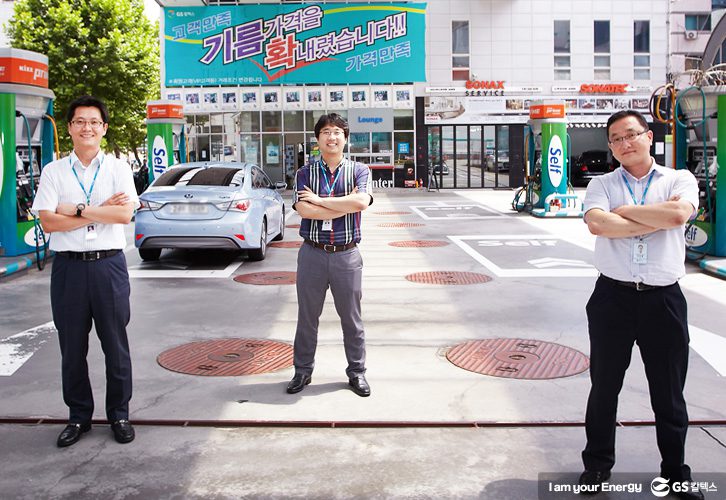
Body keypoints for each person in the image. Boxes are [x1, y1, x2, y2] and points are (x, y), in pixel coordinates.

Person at [579, 110, 703, 499]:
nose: (624, 144)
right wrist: (658, 219)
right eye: (616, 139)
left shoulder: (678, 179)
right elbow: (599, 225)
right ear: (611, 147)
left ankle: (675, 475)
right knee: (604, 389)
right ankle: (597, 468)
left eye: (631, 135)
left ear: (648, 136)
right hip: (611, 298)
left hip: (663, 299)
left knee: (668, 394)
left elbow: (680, 213)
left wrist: (625, 214)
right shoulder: (601, 183)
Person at [32, 95, 139, 447]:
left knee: (115, 345)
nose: (87, 128)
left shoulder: (118, 169)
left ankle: (119, 414)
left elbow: (123, 216)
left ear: (104, 129)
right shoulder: (54, 171)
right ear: (70, 128)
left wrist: (75, 209)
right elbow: (48, 221)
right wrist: (96, 210)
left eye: (94, 122)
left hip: (109, 266)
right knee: (72, 348)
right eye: (80, 122)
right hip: (69, 271)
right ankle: (78, 417)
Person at [287, 113, 373, 397]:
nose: (332, 137)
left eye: (337, 131)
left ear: (345, 138)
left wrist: (321, 201)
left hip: (346, 256)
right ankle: (302, 371)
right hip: (312, 254)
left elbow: (361, 202)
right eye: (326, 131)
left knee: (351, 318)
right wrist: (342, 205)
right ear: (318, 138)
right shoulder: (304, 173)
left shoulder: (360, 171)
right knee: (307, 317)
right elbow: (305, 210)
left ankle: (357, 373)